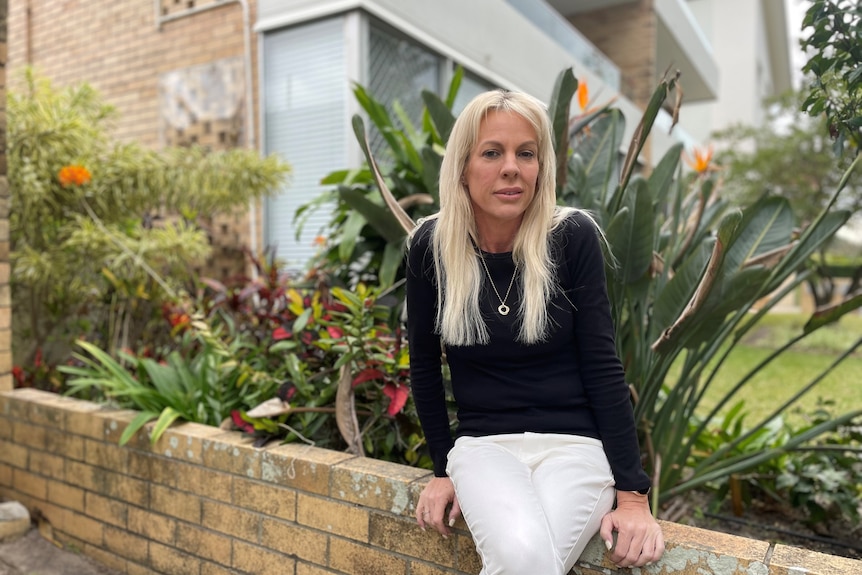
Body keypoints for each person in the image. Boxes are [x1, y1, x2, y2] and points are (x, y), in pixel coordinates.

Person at [405, 89, 664, 574]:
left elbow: (604, 366)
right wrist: (443, 469)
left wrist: (632, 496)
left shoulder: (572, 237)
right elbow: (422, 365)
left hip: (578, 450)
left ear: (541, 166)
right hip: (484, 448)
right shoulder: (431, 247)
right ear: (462, 166)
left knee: (524, 562)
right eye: (491, 152)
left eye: (526, 153)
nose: (511, 168)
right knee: (525, 559)